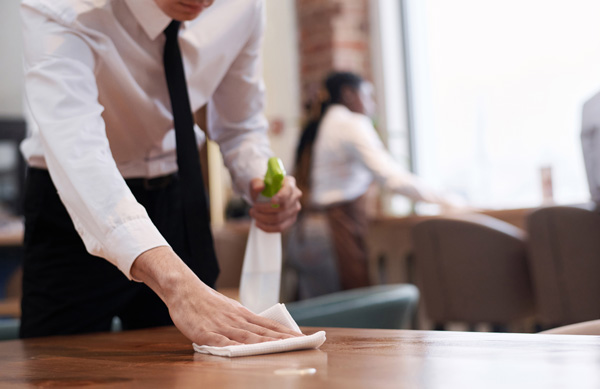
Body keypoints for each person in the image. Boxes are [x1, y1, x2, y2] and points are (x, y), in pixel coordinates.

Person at [19, 0, 303, 346]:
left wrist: (258, 177)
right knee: (58, 367)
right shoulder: (63, 5)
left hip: (177, 198)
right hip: (74, 209)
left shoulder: (243, 6)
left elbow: (240, 124)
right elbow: (78, 152)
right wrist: (178, 286)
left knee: (197, 368)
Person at [293, 71, 461, 291]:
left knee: (320, 317)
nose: (372, 105)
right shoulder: (350, 124)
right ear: (348, 94)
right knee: (348, 315)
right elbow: (391, 177)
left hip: (307, 233)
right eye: (368, 95)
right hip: (334, 231)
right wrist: (448, 200)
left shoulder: (322, 125)